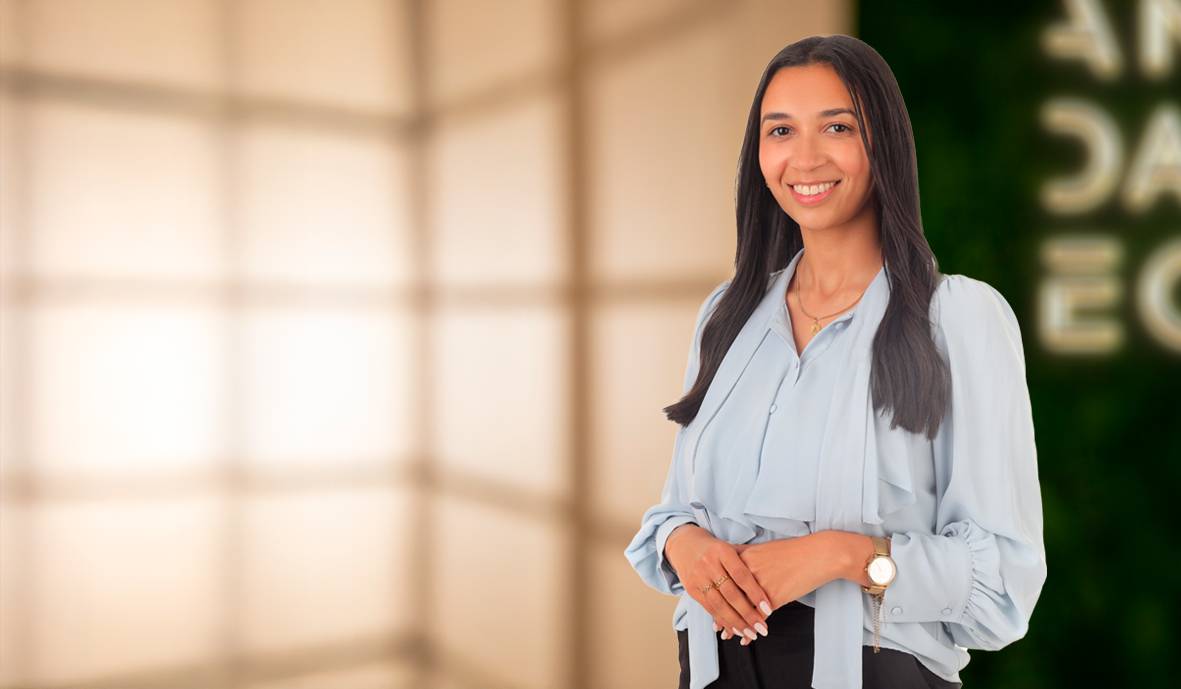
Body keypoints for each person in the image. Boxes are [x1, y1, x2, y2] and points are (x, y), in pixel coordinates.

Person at [623, 34, 1047, 689]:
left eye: (837, 127)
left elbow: (1002, 586)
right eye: (780, 130)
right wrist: (682, 542)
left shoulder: (957, 319)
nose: (805, 157)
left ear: (884, 143)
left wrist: (842, 556)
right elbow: (676, 509)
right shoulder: (726, 317)